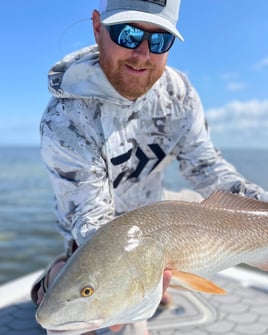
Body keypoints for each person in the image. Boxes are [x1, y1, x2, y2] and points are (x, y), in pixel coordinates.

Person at [32, 0, 268, 334]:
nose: (142, 54)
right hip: (101, 234)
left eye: (159, 41)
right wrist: (131, 285)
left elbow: (206, 167)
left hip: (156, 212)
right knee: (93, 317)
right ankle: (59, 272)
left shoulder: (178, 91)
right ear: (98, 28)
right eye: (128, 34)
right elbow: (94, 222)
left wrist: (261, 209)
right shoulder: (65, 120)